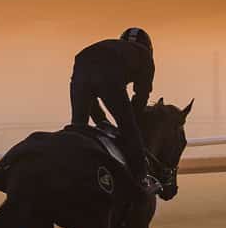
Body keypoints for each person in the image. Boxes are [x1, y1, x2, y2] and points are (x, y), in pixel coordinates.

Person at [69, 27, 160, 196]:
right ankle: (142, 179)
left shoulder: (114, 47)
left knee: (77, 128)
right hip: (106, 74)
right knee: (129, 129)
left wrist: (101, 121)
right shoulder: (145, 56)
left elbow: (91, 95)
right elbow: (141, 96)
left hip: (81, 64)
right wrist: (131, 121)